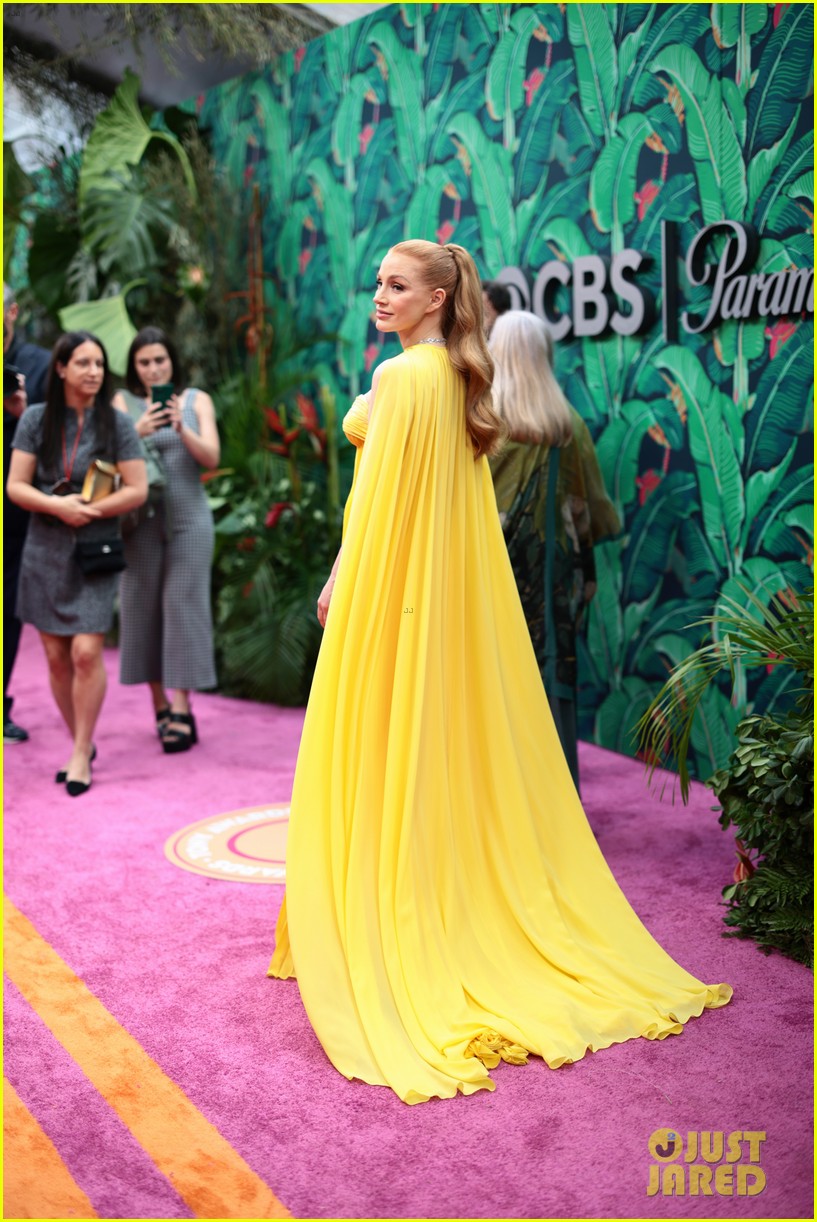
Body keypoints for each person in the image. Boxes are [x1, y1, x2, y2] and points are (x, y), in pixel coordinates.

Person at [268, 239, 731, 1105]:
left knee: (376, 745)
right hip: (437, 600)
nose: (380, 295)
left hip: (388, 593)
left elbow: (375, 505)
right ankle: (433, 904)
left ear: (438, 297)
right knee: (433, 749)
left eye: (396, 285)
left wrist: (343, 575)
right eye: (377, 282)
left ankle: (383, 913)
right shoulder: (455, 380)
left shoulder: (409, 379)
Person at [5, 331, 147, 795]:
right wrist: (57, 506)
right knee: (56, 657)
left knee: (86, 653)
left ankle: (81, 750)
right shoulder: (36, 420)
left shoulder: (117, 423)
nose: (93, 371)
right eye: (83, 362)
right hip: (44, 549)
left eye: (99, 363)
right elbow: (16, 486)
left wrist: (90, 511)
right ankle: (80, 742)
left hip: (95, 549)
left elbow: (136, 488)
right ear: (61, 368)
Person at [488, 310, 620, 791]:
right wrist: (583, 575)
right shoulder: (568, 425)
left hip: (487, 576)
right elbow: (587, 514)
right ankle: (554, 800)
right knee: (548, 684)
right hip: (551, 582)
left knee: (488, 683)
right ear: (544, 355)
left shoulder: (479, 423)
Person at [113, 327, 219, 752]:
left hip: (191, 522)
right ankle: (157, 702)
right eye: (145, 362)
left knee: (183, 608)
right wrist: (135, 429)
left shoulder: (196, 401)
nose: (154, 368)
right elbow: (105, 459)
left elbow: (211, 457)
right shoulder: (122, 404)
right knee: (141, 611)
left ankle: (181, 707)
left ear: (172, 359)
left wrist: (181, 427)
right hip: (139, 524)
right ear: (134, 368)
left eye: (160, 359)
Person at [3, 283, 51, 744]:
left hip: (16, 509)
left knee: (7, 610)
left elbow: (55, 424)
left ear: (12, 311)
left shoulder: (37, 362)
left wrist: (21, 411)